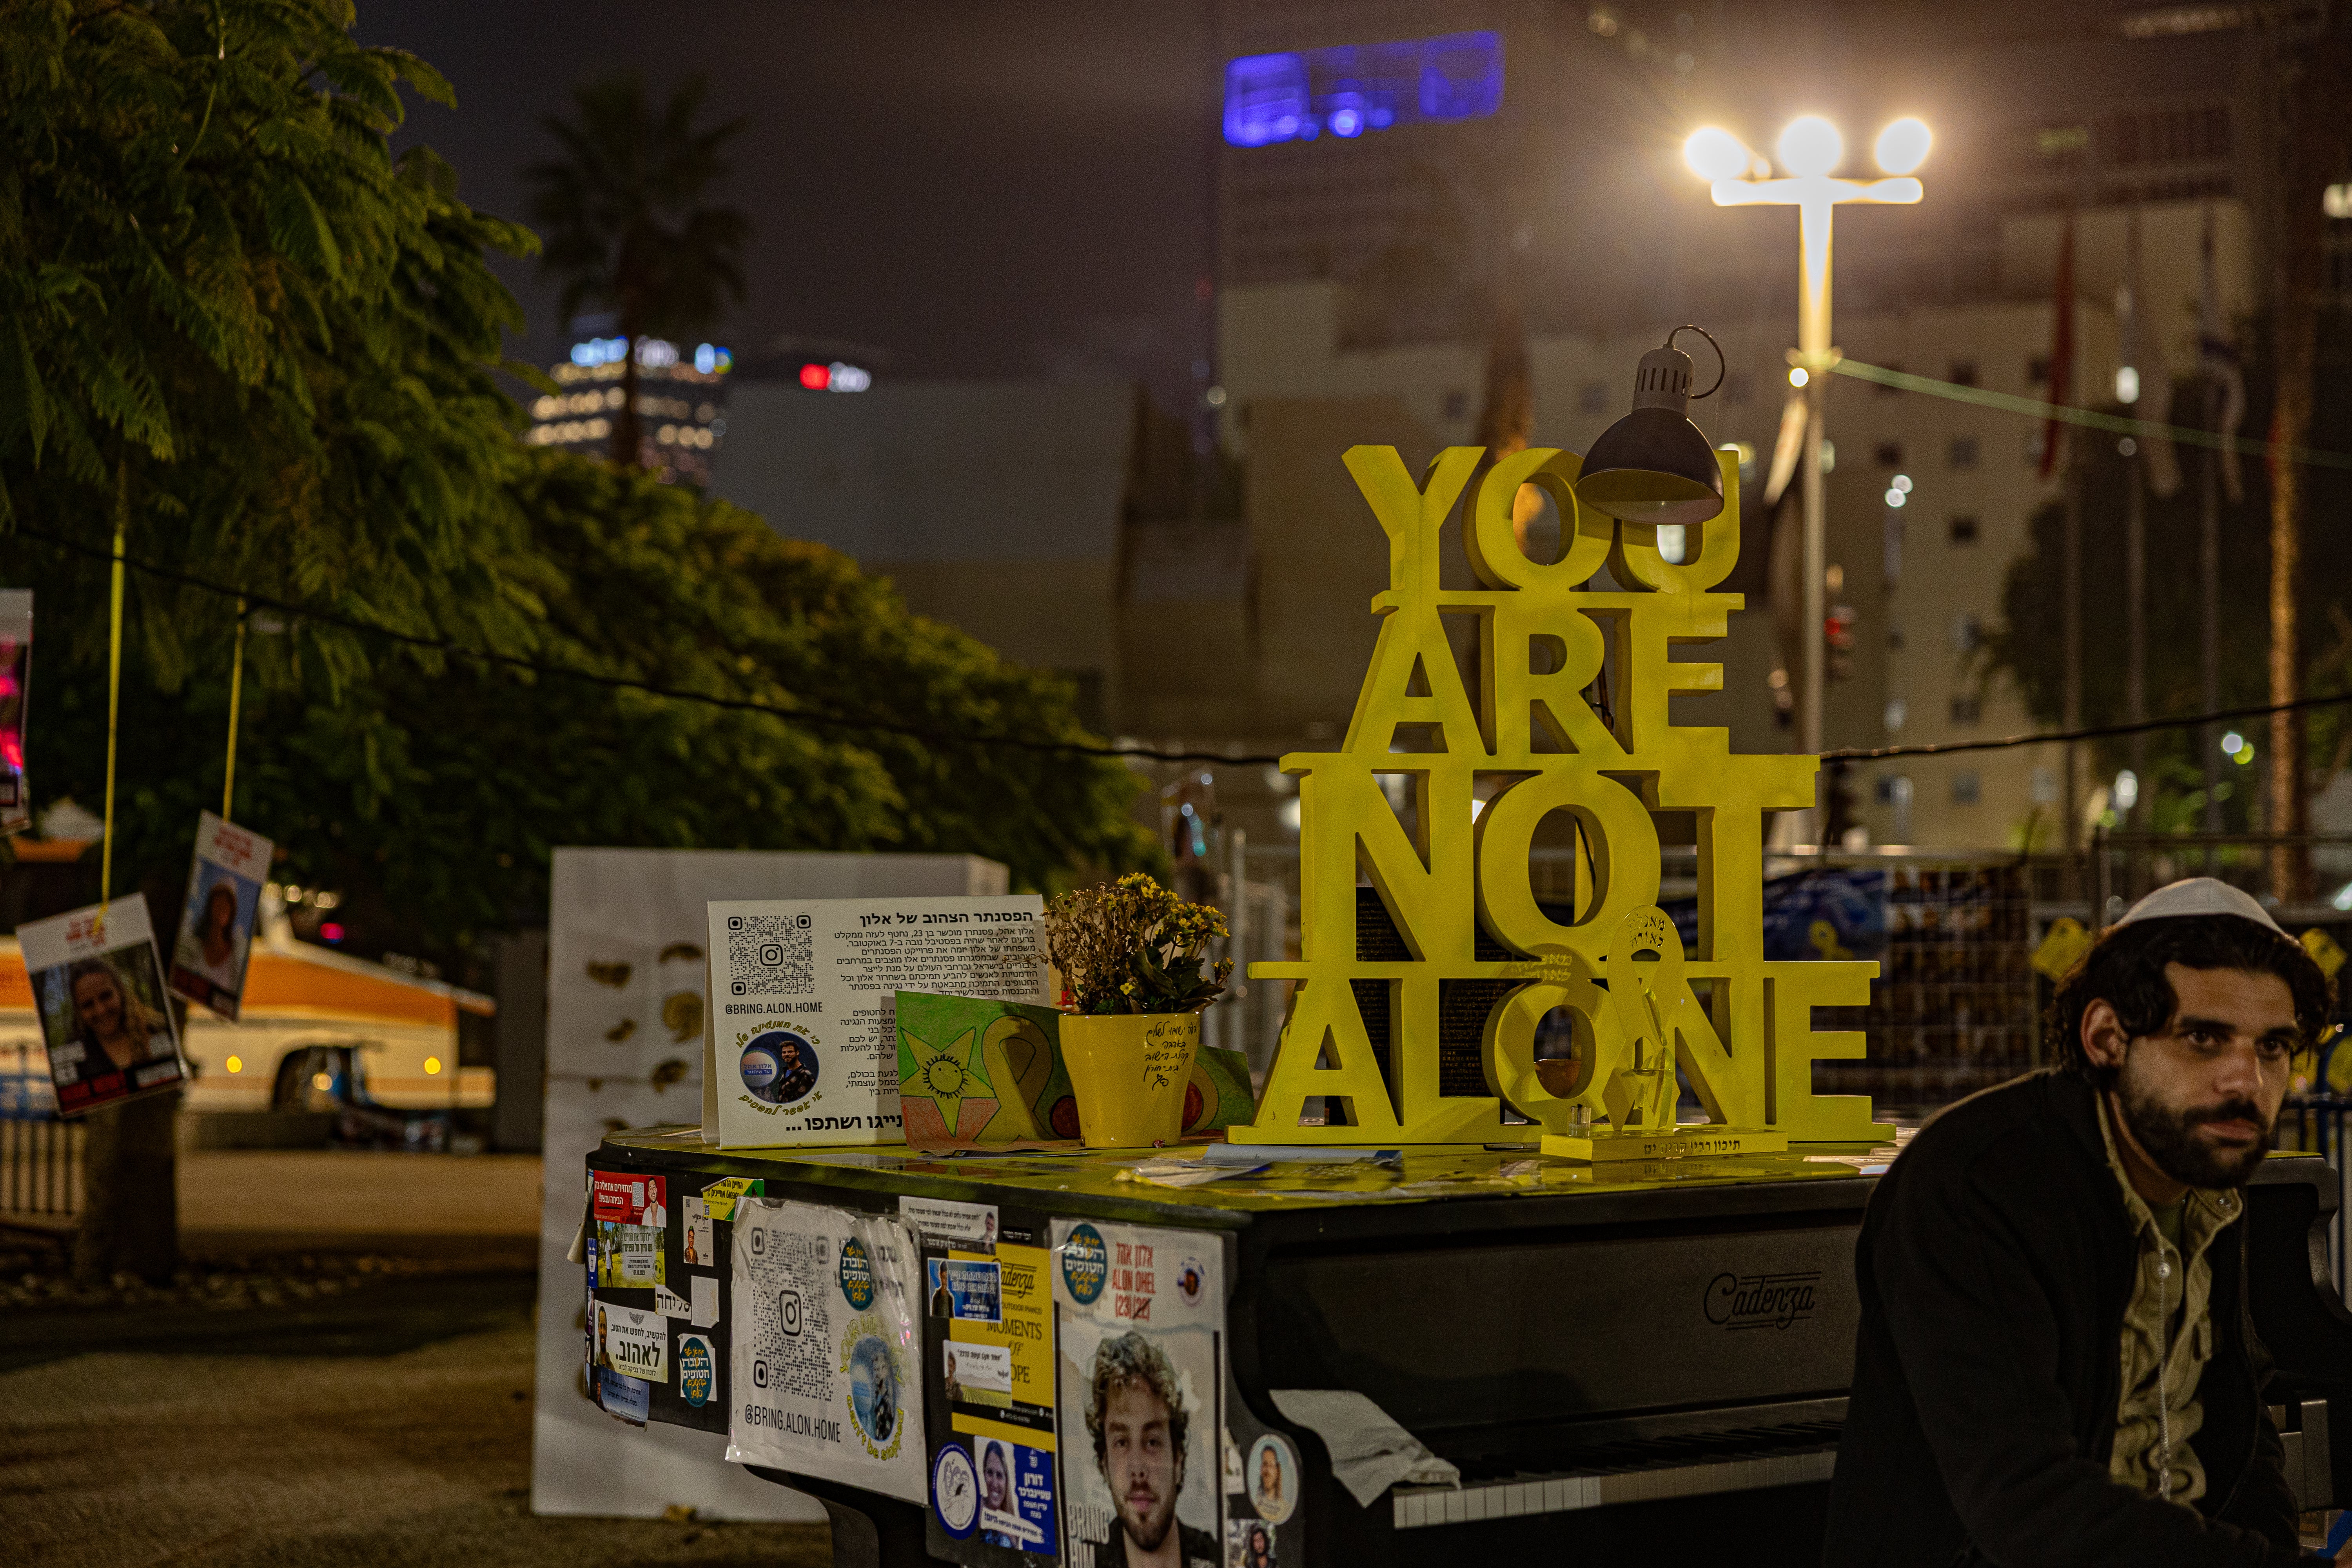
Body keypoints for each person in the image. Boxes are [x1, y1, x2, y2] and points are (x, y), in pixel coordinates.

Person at [1823, 878, 2348, 1566]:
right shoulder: (1978, 1183)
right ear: (2105, 1037)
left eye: (2273, 1048)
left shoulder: (2199, 1169)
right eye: (2203, 1039)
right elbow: (2029, 1506)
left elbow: (2238, 1435)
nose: (2245, 1081)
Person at [1085, 1331, 1219, 1568]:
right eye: (1122, 1443)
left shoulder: (1215, 1557)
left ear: (1178, 1460)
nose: (1138, 1470)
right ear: (1104, 1465)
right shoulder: (1088, 1560)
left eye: (1152, 1442)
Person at [62, 956, 176, 1082]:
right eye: (88, 1005)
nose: (101, 1011)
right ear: (79, 1012)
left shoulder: (157, 1029)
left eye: (106, 996)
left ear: (120, 992)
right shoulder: (73, 1057)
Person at [176, 878, 245, 989]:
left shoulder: (235, 959)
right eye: (219, 901)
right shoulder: (190, 945)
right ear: (210, 907)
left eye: (227, 903)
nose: (223, 907)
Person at [1254, 1442, 1284, 1517]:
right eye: (1265, 1464)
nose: (1268, 1471)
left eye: (1271, 1466)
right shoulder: (1256, 1507)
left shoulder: (1285, 1509)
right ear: (1261, 1469)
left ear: (1277, 1471)